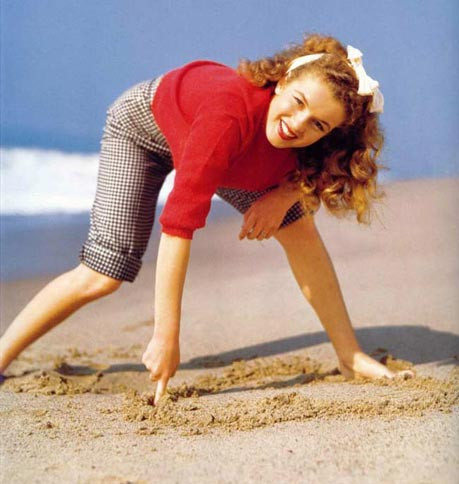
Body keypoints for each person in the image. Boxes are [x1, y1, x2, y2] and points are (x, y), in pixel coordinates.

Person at [0, 33, 412, 403]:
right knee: (102, 274)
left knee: (299, 228)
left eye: (317, 124)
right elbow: (178, 227)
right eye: (298, 102)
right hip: (144, 130)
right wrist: (166, 337)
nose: (297, 124)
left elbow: (325, 171)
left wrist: (284, 195)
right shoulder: (228, 117)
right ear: (283, 81)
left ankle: (349, 355)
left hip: (231, 157)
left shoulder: (311, 141)